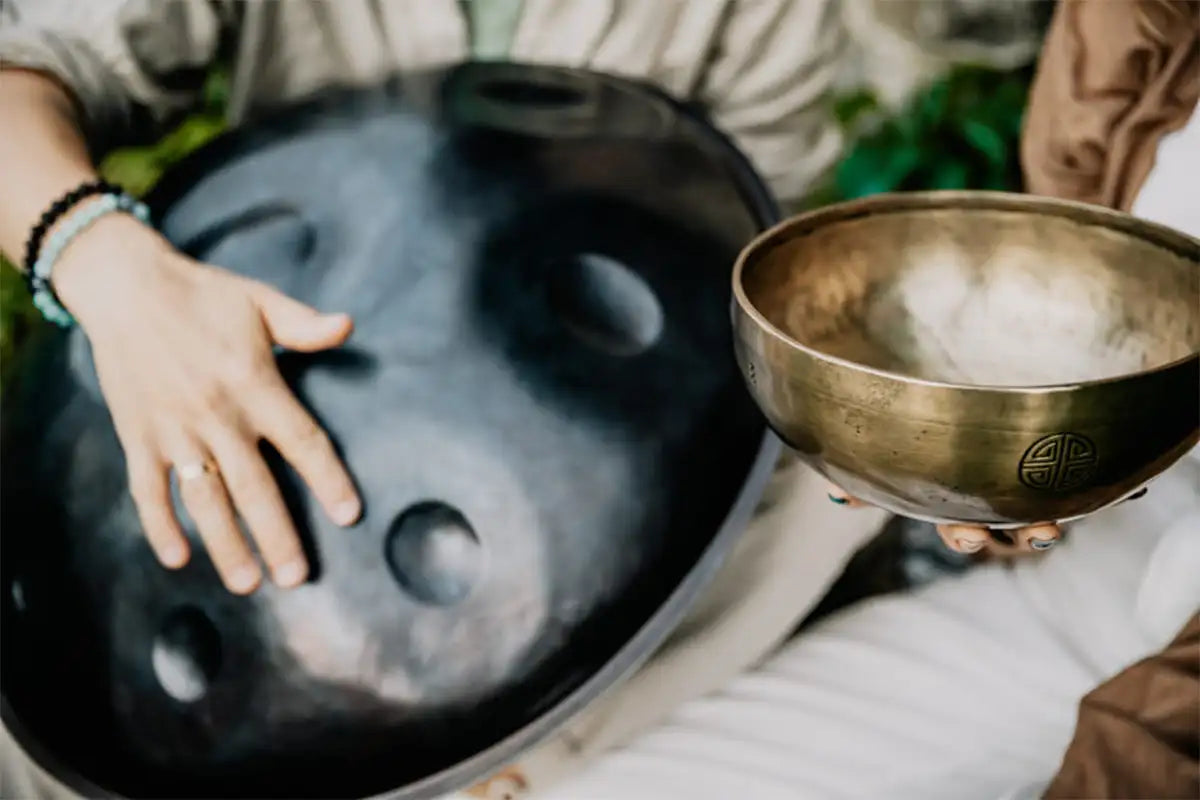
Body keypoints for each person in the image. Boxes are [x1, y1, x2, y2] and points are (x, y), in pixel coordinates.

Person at [0, 1, 1136, 799]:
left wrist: (920, 449)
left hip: (564, 448)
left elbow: (740, 277)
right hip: (230, 374)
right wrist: (104, 263)